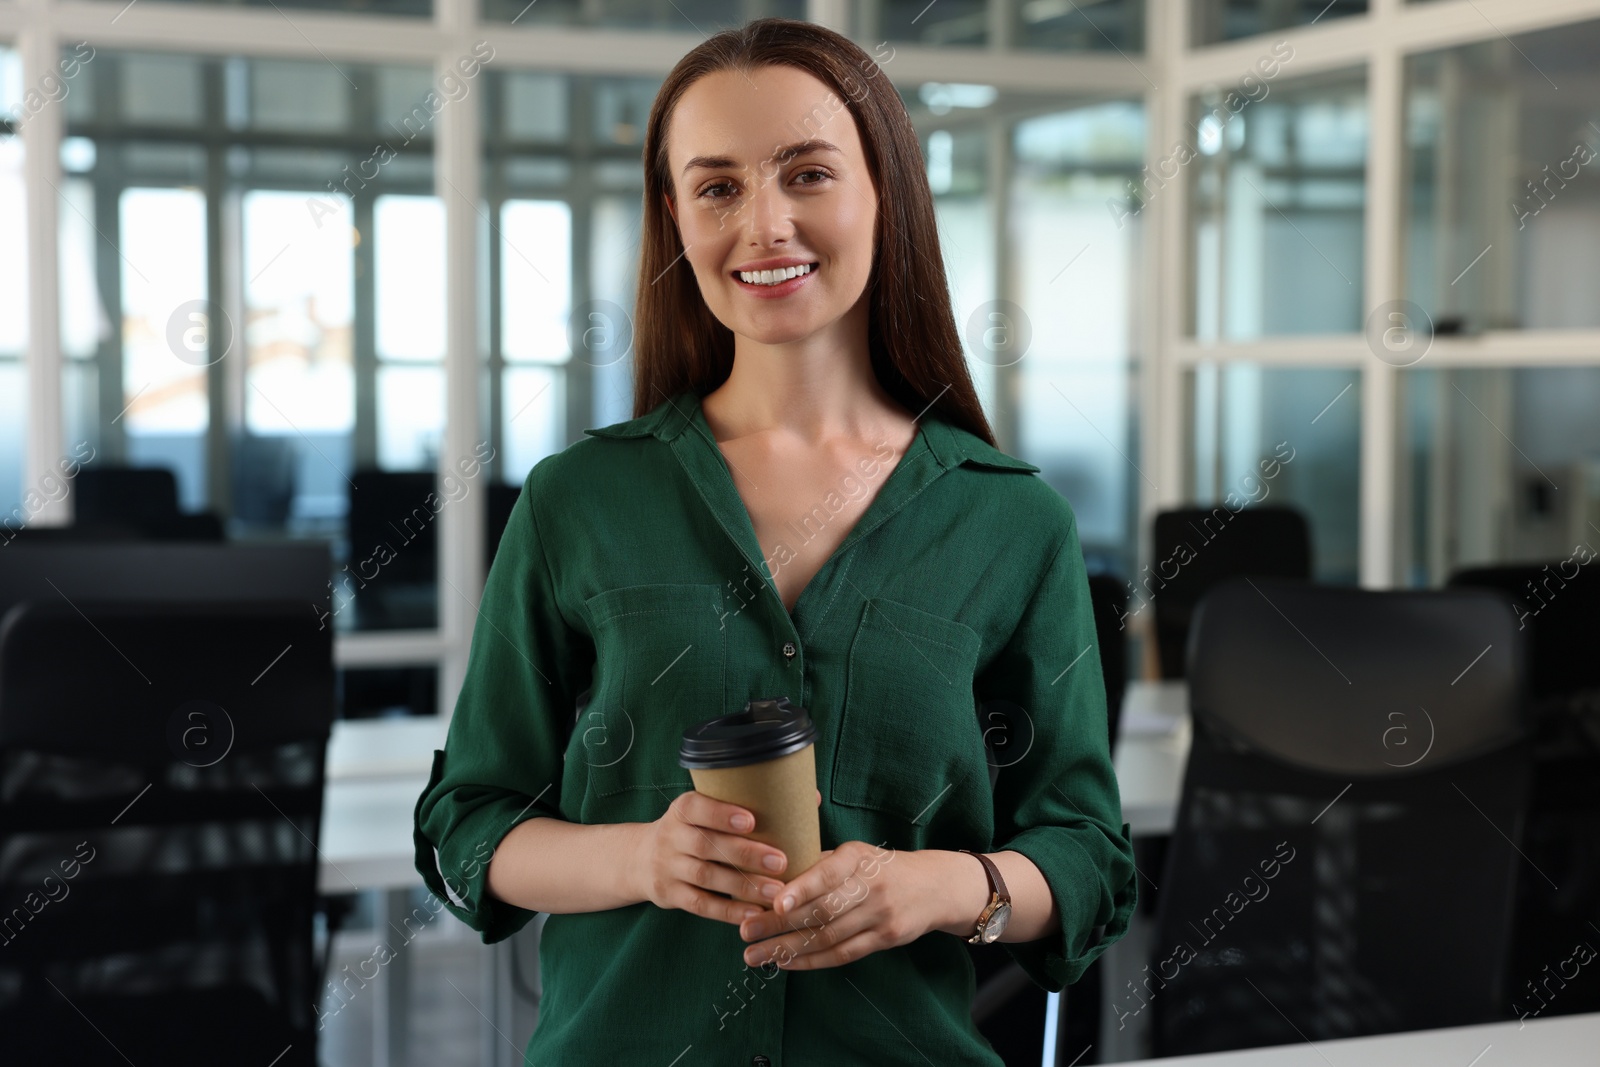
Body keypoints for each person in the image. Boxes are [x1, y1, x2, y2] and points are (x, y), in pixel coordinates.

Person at [412, 16, 1137, 1064]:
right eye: (718, 187)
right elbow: (466, 824)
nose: (765, 225)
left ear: (883, 191)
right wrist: (643, 859)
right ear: (675, 215)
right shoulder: (578, 499)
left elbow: (1088, 858)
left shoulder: (1011, 518)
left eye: (806, 174)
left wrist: (934, 886)